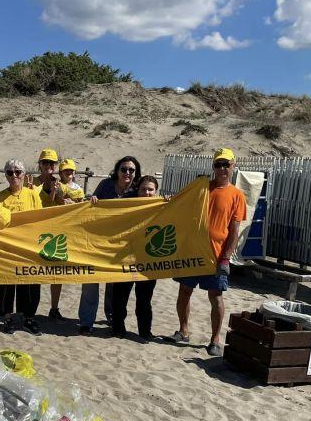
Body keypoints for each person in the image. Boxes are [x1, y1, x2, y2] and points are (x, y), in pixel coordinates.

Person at [169, 148, 246, 356]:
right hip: (192, 251)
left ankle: (215, 339)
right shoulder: (202, 188)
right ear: (213, 167)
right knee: (184, 291)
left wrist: (226, 258)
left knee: (216, 296)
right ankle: (184, 330)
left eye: (226, 164)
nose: (222, 168)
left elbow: (234, 230)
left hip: (216, 255)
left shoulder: (237, 195)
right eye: (218, 164)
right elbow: (179, 206)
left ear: (233, 166)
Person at [78, 155, 142, 335]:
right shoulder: (106, 185)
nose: (127, 173)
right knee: (90, 281)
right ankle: (86, 321)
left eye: (131, 170)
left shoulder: (136, 190)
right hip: (97, 241)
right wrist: (92, 201)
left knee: (114, 283)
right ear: (117, 170)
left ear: (136, 173)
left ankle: (112, 317)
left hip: (122, 245)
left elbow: (151, 201)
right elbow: (90, 206)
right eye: (124, 169)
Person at [0, 159, 43, 335]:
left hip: (28, 247)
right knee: (6, 283)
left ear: (24, 175)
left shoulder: (32, 195)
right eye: (10, 172)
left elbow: (40, 218)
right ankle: (7, 317)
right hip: (7, 248)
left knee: (29, 283)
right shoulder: (0, 197)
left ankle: (28, 317)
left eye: (18, 172)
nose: (14, 176)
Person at [110, 175, 161, 341]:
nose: (146, 192)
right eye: (143, 189)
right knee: (120, 297)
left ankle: (145, 331)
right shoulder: (127, 206)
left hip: (148, 260)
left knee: (144, 299)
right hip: (125, 258)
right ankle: (117, 328)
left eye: (150, 189)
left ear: (156, 191)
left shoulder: (163, 207)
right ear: (137, 190)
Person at [44, 157, 87, 321]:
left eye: (71, 170)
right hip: (58, 229)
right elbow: (54, 201)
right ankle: (54, 307)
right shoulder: (57, 185)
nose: (68, 173)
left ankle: (56, 308)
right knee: (56, 271)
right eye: (65, 171)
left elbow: (80, 205)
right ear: (61, 172)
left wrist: (73, 203)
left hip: (72, 230)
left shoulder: (77, 187)